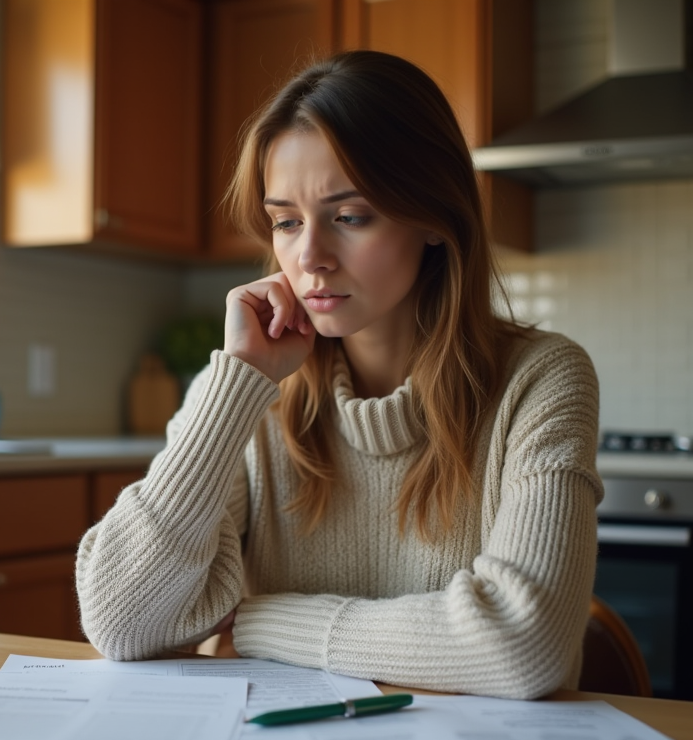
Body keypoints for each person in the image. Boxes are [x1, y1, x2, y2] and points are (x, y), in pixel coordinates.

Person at [76, 50, 602, 700]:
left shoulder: (541, 379)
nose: (309, 257)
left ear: (433, 219)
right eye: (286, 222)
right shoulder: (248, 394)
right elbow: (119, 623)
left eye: (349, 217)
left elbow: (526, 647)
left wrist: (265, 621)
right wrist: (237, 383)